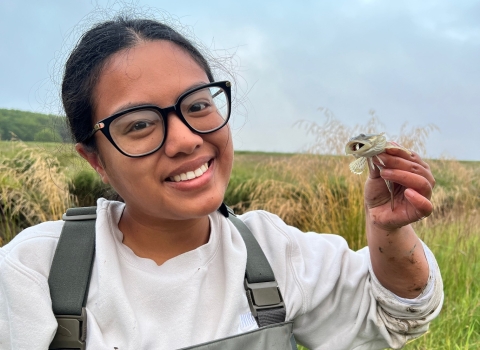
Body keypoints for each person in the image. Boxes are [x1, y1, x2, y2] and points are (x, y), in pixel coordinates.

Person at [0, 16, 443, 350]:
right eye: (139, 125)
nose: (186, 139)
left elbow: (394, 312)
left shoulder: (273, 250)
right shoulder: (36, 271)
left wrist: (390, 229)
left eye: (196, 105)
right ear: (95, 159)